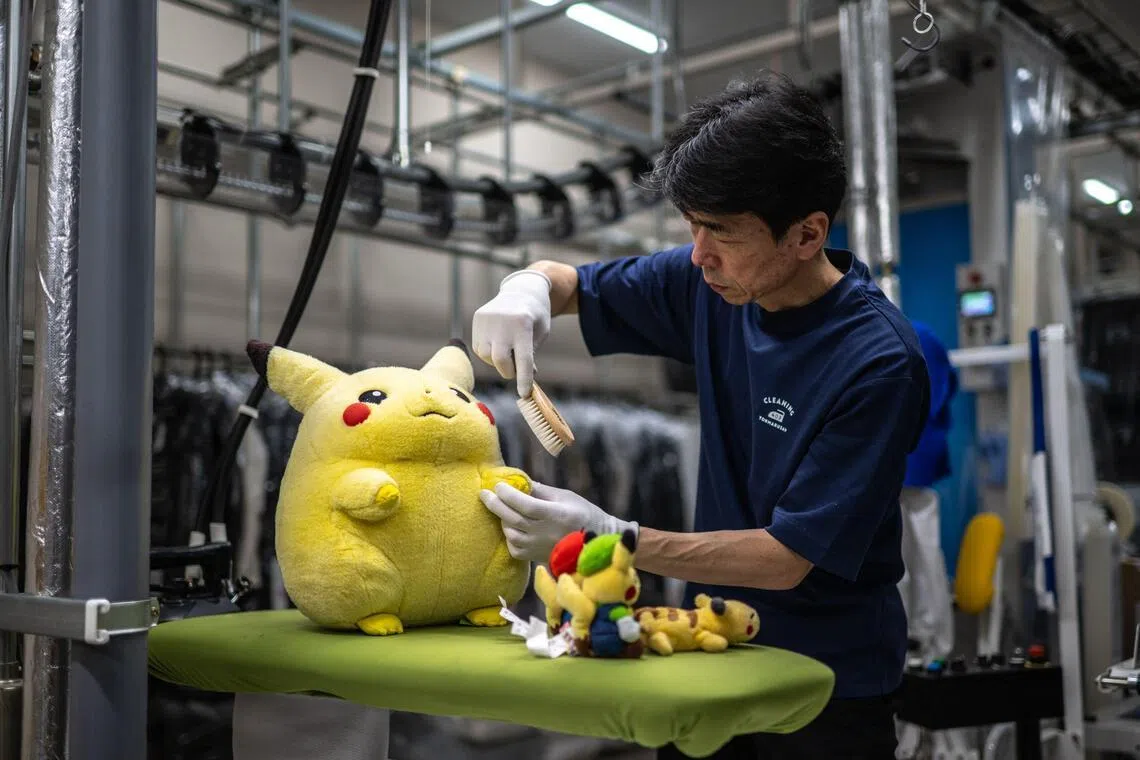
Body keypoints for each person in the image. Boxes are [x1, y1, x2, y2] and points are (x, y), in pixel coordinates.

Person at [472, 70, 930, 759]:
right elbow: (574, 284)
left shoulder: (878, 361)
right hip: (704, 649)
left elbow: (785, 560)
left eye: (720, 231)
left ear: (807, 235)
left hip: (821, 688)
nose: (699, 253)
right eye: (691, 225)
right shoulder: (707, 282)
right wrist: (529, 288)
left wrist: (612, 535)